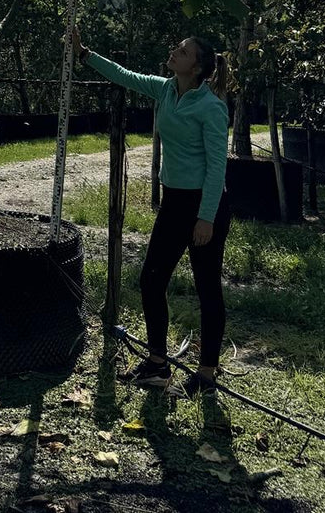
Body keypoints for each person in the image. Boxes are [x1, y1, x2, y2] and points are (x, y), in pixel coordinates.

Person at [72, 30, 231, 397]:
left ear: (197, 66)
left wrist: (205, 218)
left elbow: (216, 168)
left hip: (205, 206)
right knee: (151, 280)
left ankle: (206, 375)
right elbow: (124, 75)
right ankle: (158, 365)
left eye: (183, 49)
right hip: (174, 203)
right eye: (178, 45)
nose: (175, 50)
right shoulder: (165, 89)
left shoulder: (211, 106)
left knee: (207, 287)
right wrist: (84, 54)